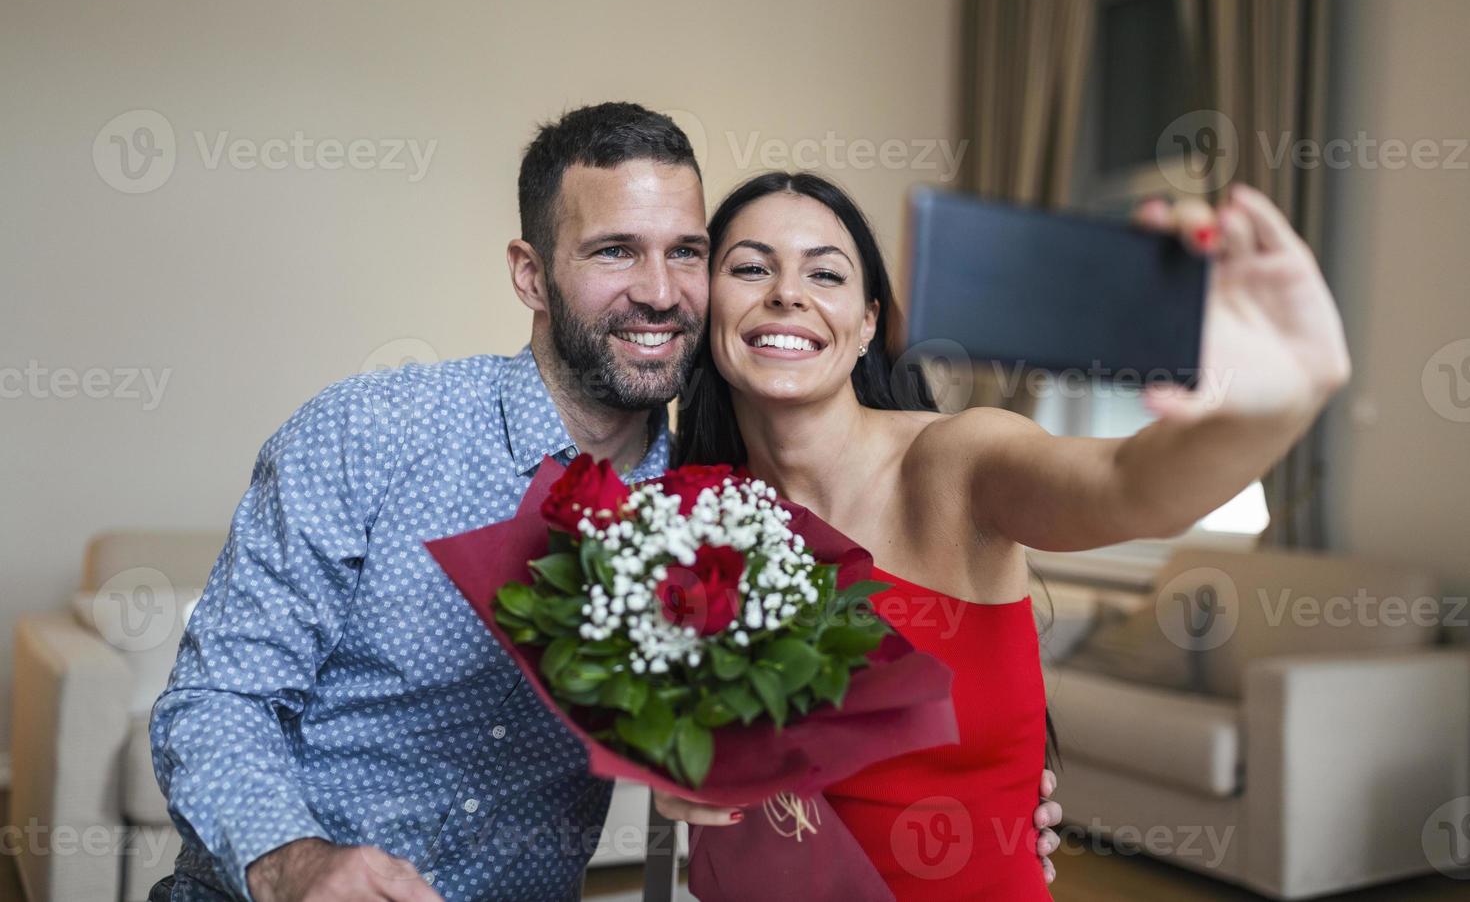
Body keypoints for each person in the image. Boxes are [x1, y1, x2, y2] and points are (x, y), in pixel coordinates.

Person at [147, 105, 1063, 901]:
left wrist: (999, 817)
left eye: (688, 254)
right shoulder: (370, 431)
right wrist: (291, 863)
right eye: (615, 251)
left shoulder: (716, 515)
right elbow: (218, 696)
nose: (659, 292)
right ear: (531, 273)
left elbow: (819, 745)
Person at [658, 171, 1351, 899]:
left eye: (823, 272)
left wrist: (1266, 409)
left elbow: (1126, 484)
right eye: (750, 267)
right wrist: (670, 768)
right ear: (710, 310)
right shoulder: (688, 520)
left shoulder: (957, 463)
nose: (786, 294)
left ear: (868, 324)